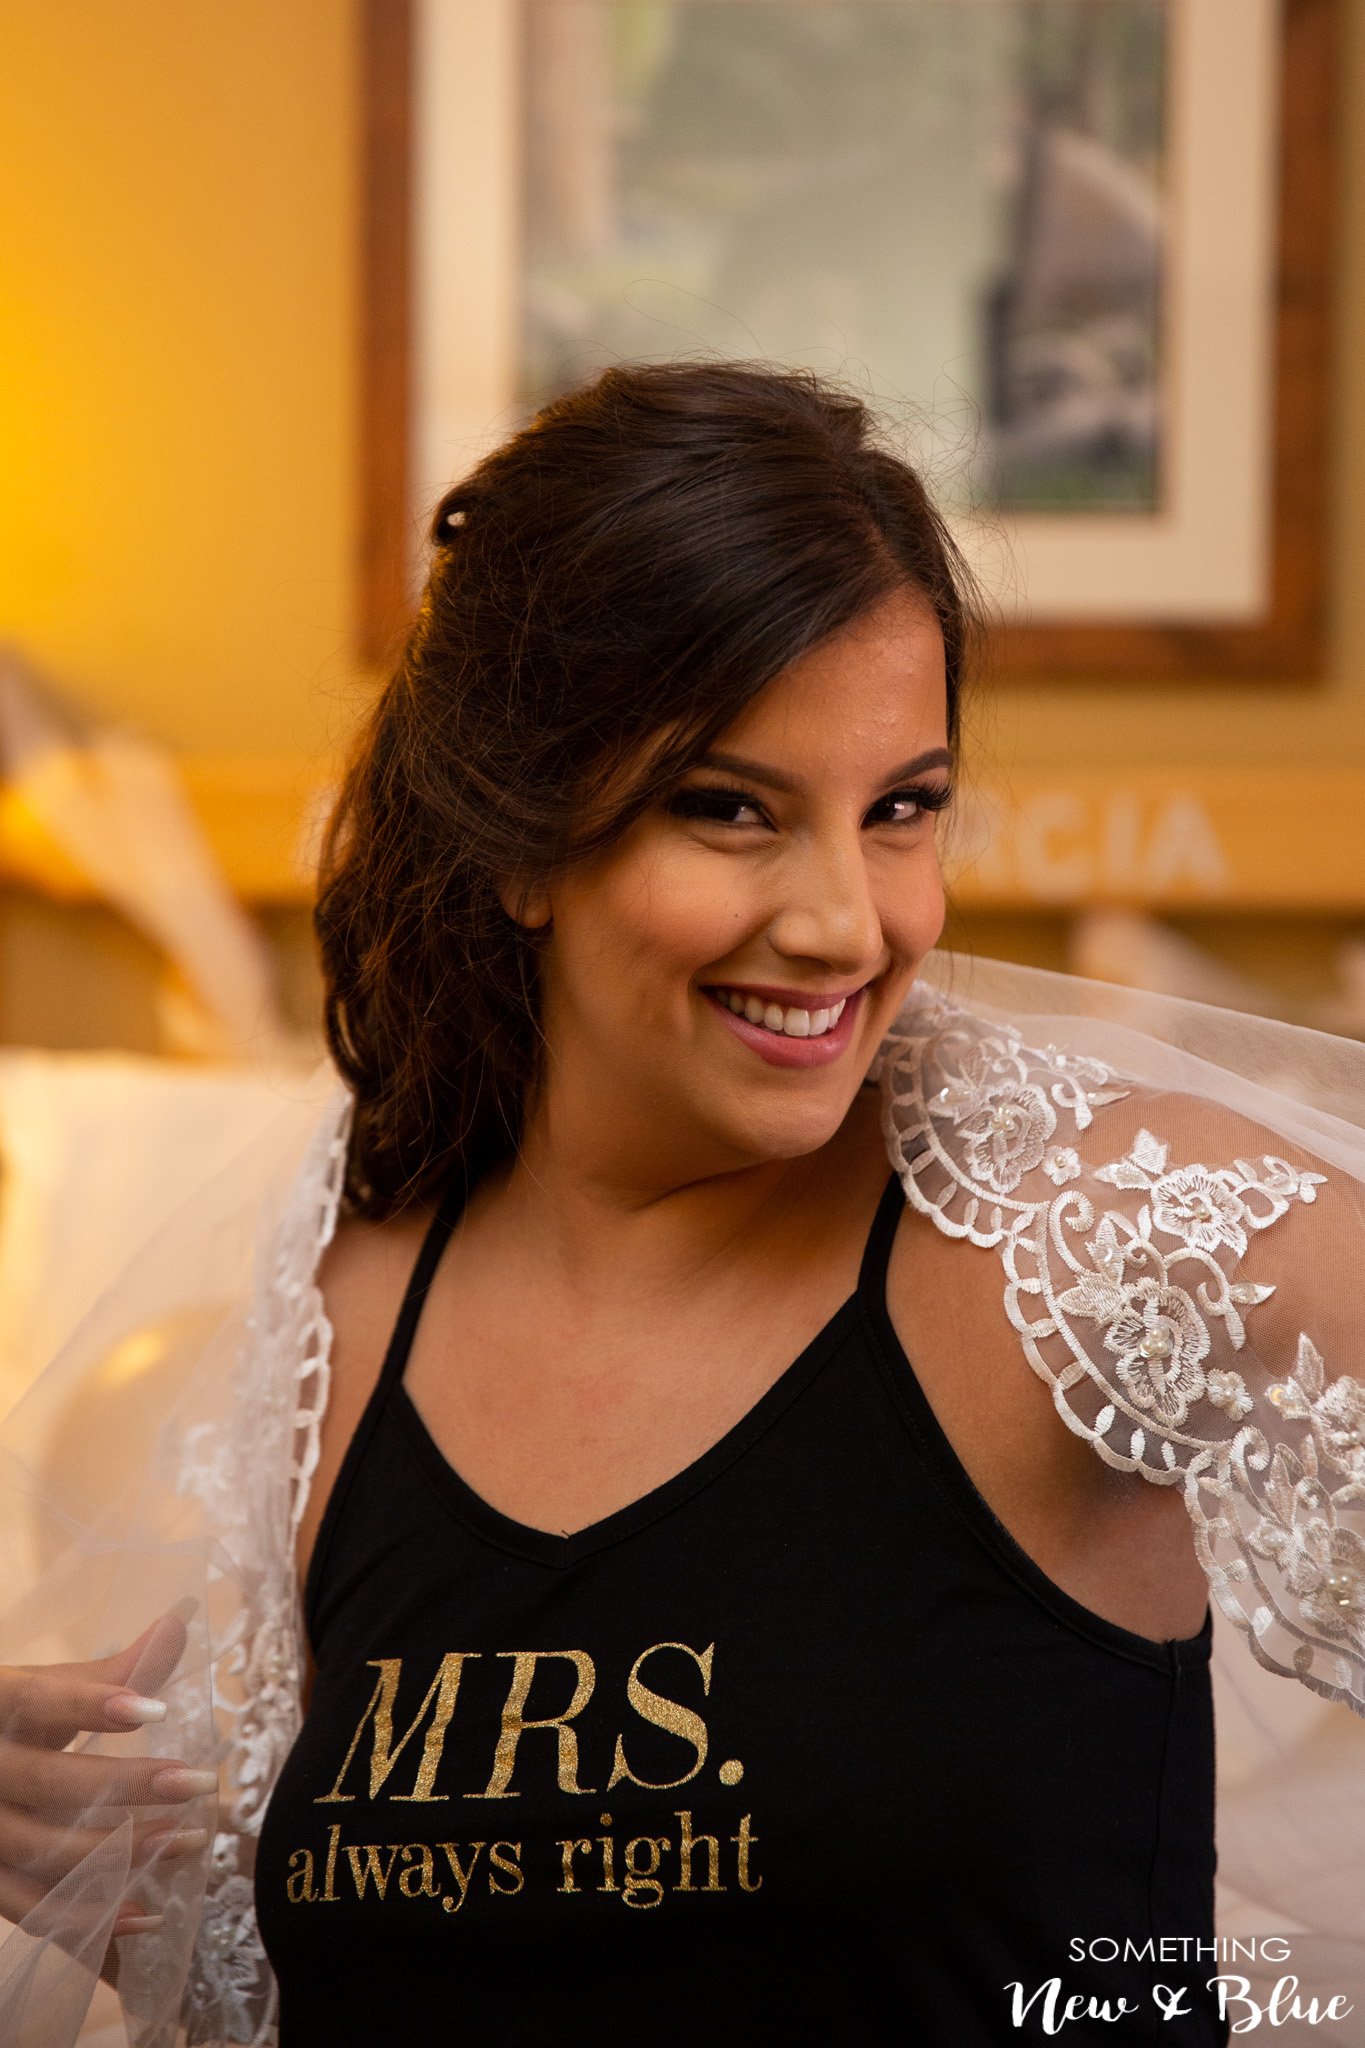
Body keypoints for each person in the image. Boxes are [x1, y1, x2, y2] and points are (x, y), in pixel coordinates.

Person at [2, 362, 1364, 2046]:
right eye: (727, 810)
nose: (846, 924)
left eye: (901, 811)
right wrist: (107, 1875)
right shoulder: (340, 1291)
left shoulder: (1110, 1235)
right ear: (517, 839)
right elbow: (302, 1973)